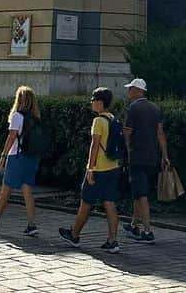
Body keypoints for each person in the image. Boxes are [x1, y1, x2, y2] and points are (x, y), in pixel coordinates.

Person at [59, 87, 124, 254]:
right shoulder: (113, 120)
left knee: (85, 203)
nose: (91, 103)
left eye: (93, 100)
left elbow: (94, 146)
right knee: (109, 203)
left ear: (100, 102)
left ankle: (74, 235)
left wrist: (90, 168)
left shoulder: (98, 121)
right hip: (114, 167)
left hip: (99, 169)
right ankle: (113, 240)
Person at [0, 85, 41, 238]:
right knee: (27, 190)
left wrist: (3, 155)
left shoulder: (17, 116)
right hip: (31, 157)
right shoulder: (35, 117)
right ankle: (32, 224)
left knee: (5, 191)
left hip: (16, 156)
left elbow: (12, 137)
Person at [122, 77, 170, 244]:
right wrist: (165, 156)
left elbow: (127, 132)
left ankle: (147, 231)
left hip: (137, 156)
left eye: (130, 89)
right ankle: (134, 224)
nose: (128, 92)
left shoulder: (133, 108)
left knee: (141, 194)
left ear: (137, 91)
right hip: (152, 157)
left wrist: (127, 152)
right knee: (139, 191)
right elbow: (160, 134)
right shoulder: (155, 108)